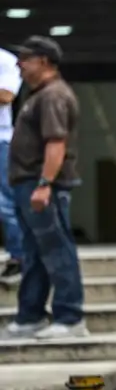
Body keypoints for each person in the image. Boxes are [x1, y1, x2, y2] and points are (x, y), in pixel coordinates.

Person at [1, 36, 86, 339]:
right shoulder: (39, 95)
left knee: (56, 249)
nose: (19, 65)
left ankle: (70, 316)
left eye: (26, 59)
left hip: (42, 186)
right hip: (29, 185)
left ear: (44, 61)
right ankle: (30, 315)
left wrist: (44, 184)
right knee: (34, 251)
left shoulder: (53, 96)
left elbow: (56, 143)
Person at [0, 48, 24, 278]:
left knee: (5, 202)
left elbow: (7, 95)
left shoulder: (6, 60)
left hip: (1, 140)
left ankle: (19, 256)